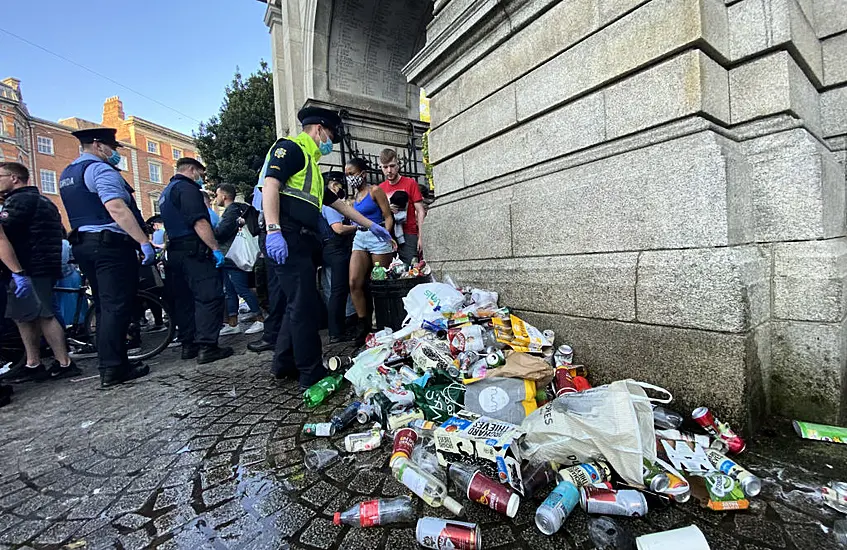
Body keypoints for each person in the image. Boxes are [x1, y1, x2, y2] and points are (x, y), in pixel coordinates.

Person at [259, 106, 392, 388]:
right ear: (319, 129)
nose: (330, 142)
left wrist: (371, 225)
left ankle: (283, 363)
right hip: (286, 236)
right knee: (305, 306)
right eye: (330, 134)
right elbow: (270, 185)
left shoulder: (310, 165)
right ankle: (310, 373)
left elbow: (338, 204)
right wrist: (273, 229)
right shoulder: (292, 149)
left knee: (295, 304)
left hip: (300, 239)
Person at [60, 128, 154, 387]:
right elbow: (116, 207)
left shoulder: (69, 173)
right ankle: (113, 368)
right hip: (109, 246)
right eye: (112, 147)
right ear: (99, 146)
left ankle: (114, 361)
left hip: (84, 245)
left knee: (104, 306)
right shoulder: (100, 170)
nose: (114, 153)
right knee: (116, 306)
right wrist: (143, 241)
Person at [0, 162, 81, 382]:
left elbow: (3, 233)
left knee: (43, 314)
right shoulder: (44, 201)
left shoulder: (18, 202)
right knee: (25, 316)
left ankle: (64, 362)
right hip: (41, 265)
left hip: (29, 266)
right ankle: (33, 362)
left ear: (14, 178)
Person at [159, 158, 233, 364]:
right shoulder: (187, 189)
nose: (202, 179)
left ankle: (188, 344)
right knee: (209, 296)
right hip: (194, 251)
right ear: (192, 170)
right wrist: (215, 248)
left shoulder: (166, 192)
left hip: (175, 252)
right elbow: (199, 221)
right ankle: (208, 346)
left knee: (184, 300)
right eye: (201, 174)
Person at [345, 158, 395, 344]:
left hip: (377, 237)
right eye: (347, 175)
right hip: (360, 237)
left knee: (379, 283)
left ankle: (382, 323)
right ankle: (363, 324)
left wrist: (387, 236)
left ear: (363, 174)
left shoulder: (375, 191)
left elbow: (388, 216)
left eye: (352, 174)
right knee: (354, 282)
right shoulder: (354, 199)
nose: (349, 178)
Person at [214, 183, 263, 336]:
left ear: (224, 196)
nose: (216, 199)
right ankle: (233, 322)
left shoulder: (231, 212)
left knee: (241, 288)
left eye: (217, 195)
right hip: (232, 256)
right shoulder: (239, 210)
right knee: (229, 290)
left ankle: (260, 319)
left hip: (233, 256)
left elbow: (221, 233)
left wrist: (209, 230)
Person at [319, 171, 356, 344]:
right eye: (340, 185)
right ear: (333, 185)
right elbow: (338, 229)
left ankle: (337, 328)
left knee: (336, 290)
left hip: (332, 250)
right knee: (338, 291)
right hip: (335, 250)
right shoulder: (329, 206)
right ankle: (336, 332)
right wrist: (357, 227)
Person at [379, 149, 426, 264]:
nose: (389, 170)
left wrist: (422, 236)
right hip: (388, 235)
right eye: (385, 167)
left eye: (392, 166)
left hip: (409, 234)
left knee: (412, 269)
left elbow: (420, 211)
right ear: (381, 167)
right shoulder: (380, 188)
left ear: (398, 165)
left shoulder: (410, 183)